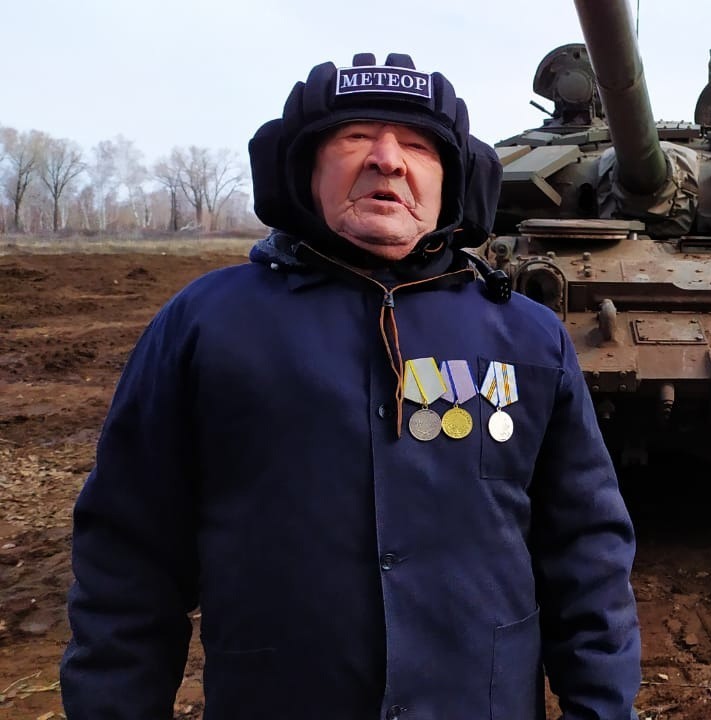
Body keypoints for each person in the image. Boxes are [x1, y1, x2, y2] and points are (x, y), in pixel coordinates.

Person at [60, 52, 641, 720]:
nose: (387, 160)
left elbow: (586, 551)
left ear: (454, 179)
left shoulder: (527, 337)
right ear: (302, 168)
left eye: (418, 146)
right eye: (354, 137)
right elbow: (129, 554)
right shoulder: (206, 325)